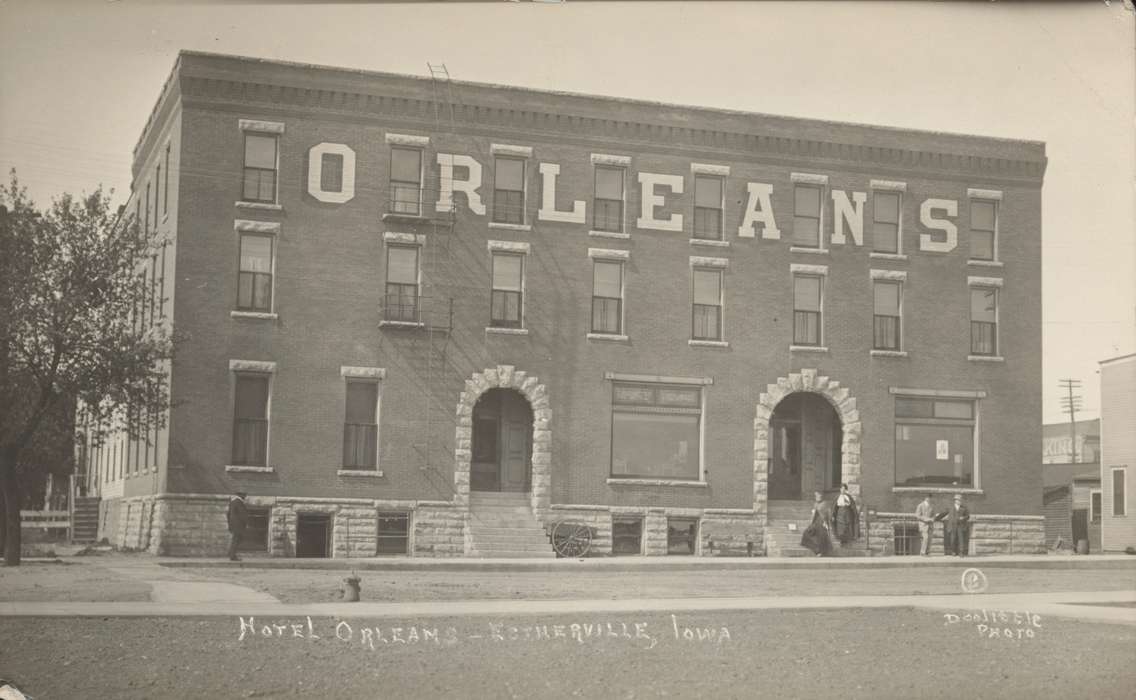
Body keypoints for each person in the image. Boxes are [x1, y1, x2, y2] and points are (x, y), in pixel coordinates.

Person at [801, 491, 834, 556]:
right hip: (815, 522)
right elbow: (813, 514)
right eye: (815, 496)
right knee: (807, 533)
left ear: (821, 496)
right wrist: (811, 522)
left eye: (818, 495)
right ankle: (817, 550)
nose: (816, 497)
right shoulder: (815, 504)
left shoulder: (825, 504)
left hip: (822, 522)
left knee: (821, 536)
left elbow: (829, 514)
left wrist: (828, 522)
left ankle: (820, 551)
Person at [226, 491, 248, 561]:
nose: (245, 496)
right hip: (238, 525)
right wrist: (246, 523)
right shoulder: (239, 502)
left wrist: (230, 524)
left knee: (235, 539)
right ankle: (232, 555)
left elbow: (228, 514)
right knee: (237, 540)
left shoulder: (232, 502)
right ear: (241, 495)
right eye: (244, 495)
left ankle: (231, 553)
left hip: (233, 525)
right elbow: (243, 515)